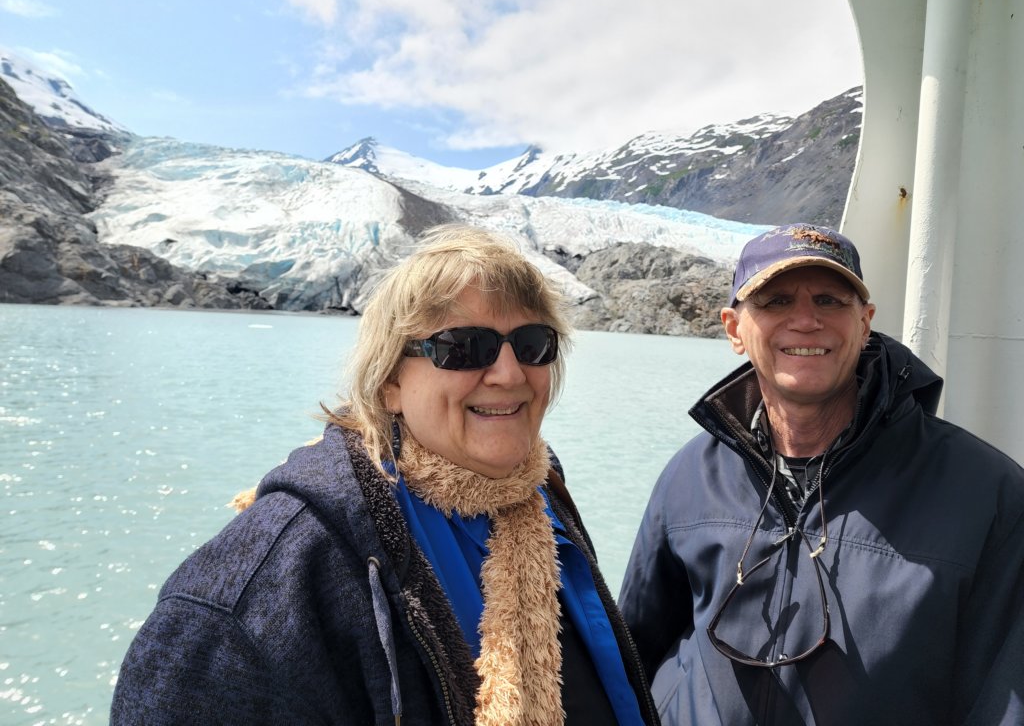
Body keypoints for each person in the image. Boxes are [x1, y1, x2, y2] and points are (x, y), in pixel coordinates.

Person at [111, 224, 660, 725]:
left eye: (532, 344)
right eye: (464, 348)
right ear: (389, 383)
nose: (509, 373)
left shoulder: (538, 492)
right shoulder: (278, 573)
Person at [619, 223, 1024, 726]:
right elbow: (633, 652)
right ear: (734, 329)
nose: (806, 321)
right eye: (776, 301)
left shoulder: (985, 492)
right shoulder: (689, 476)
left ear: (865, 322)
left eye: (830, 301)